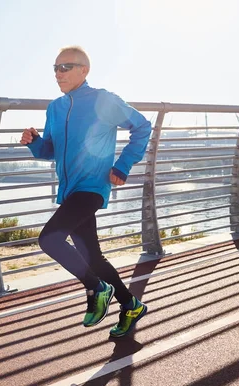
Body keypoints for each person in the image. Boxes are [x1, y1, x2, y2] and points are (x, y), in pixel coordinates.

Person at [20, 46, 152, 338]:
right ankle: (131, 305)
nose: (58, 73)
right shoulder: (55, 107)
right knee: (92, 256)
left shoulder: (102, 100)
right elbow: (50, 150)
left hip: (92, 187)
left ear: (84, 70)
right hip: (69, 190)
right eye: (55, 68)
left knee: (49, 239)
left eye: (65, 67)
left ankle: (95, 287)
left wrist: (123, 165)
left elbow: (142, 126)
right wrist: (34, 142)